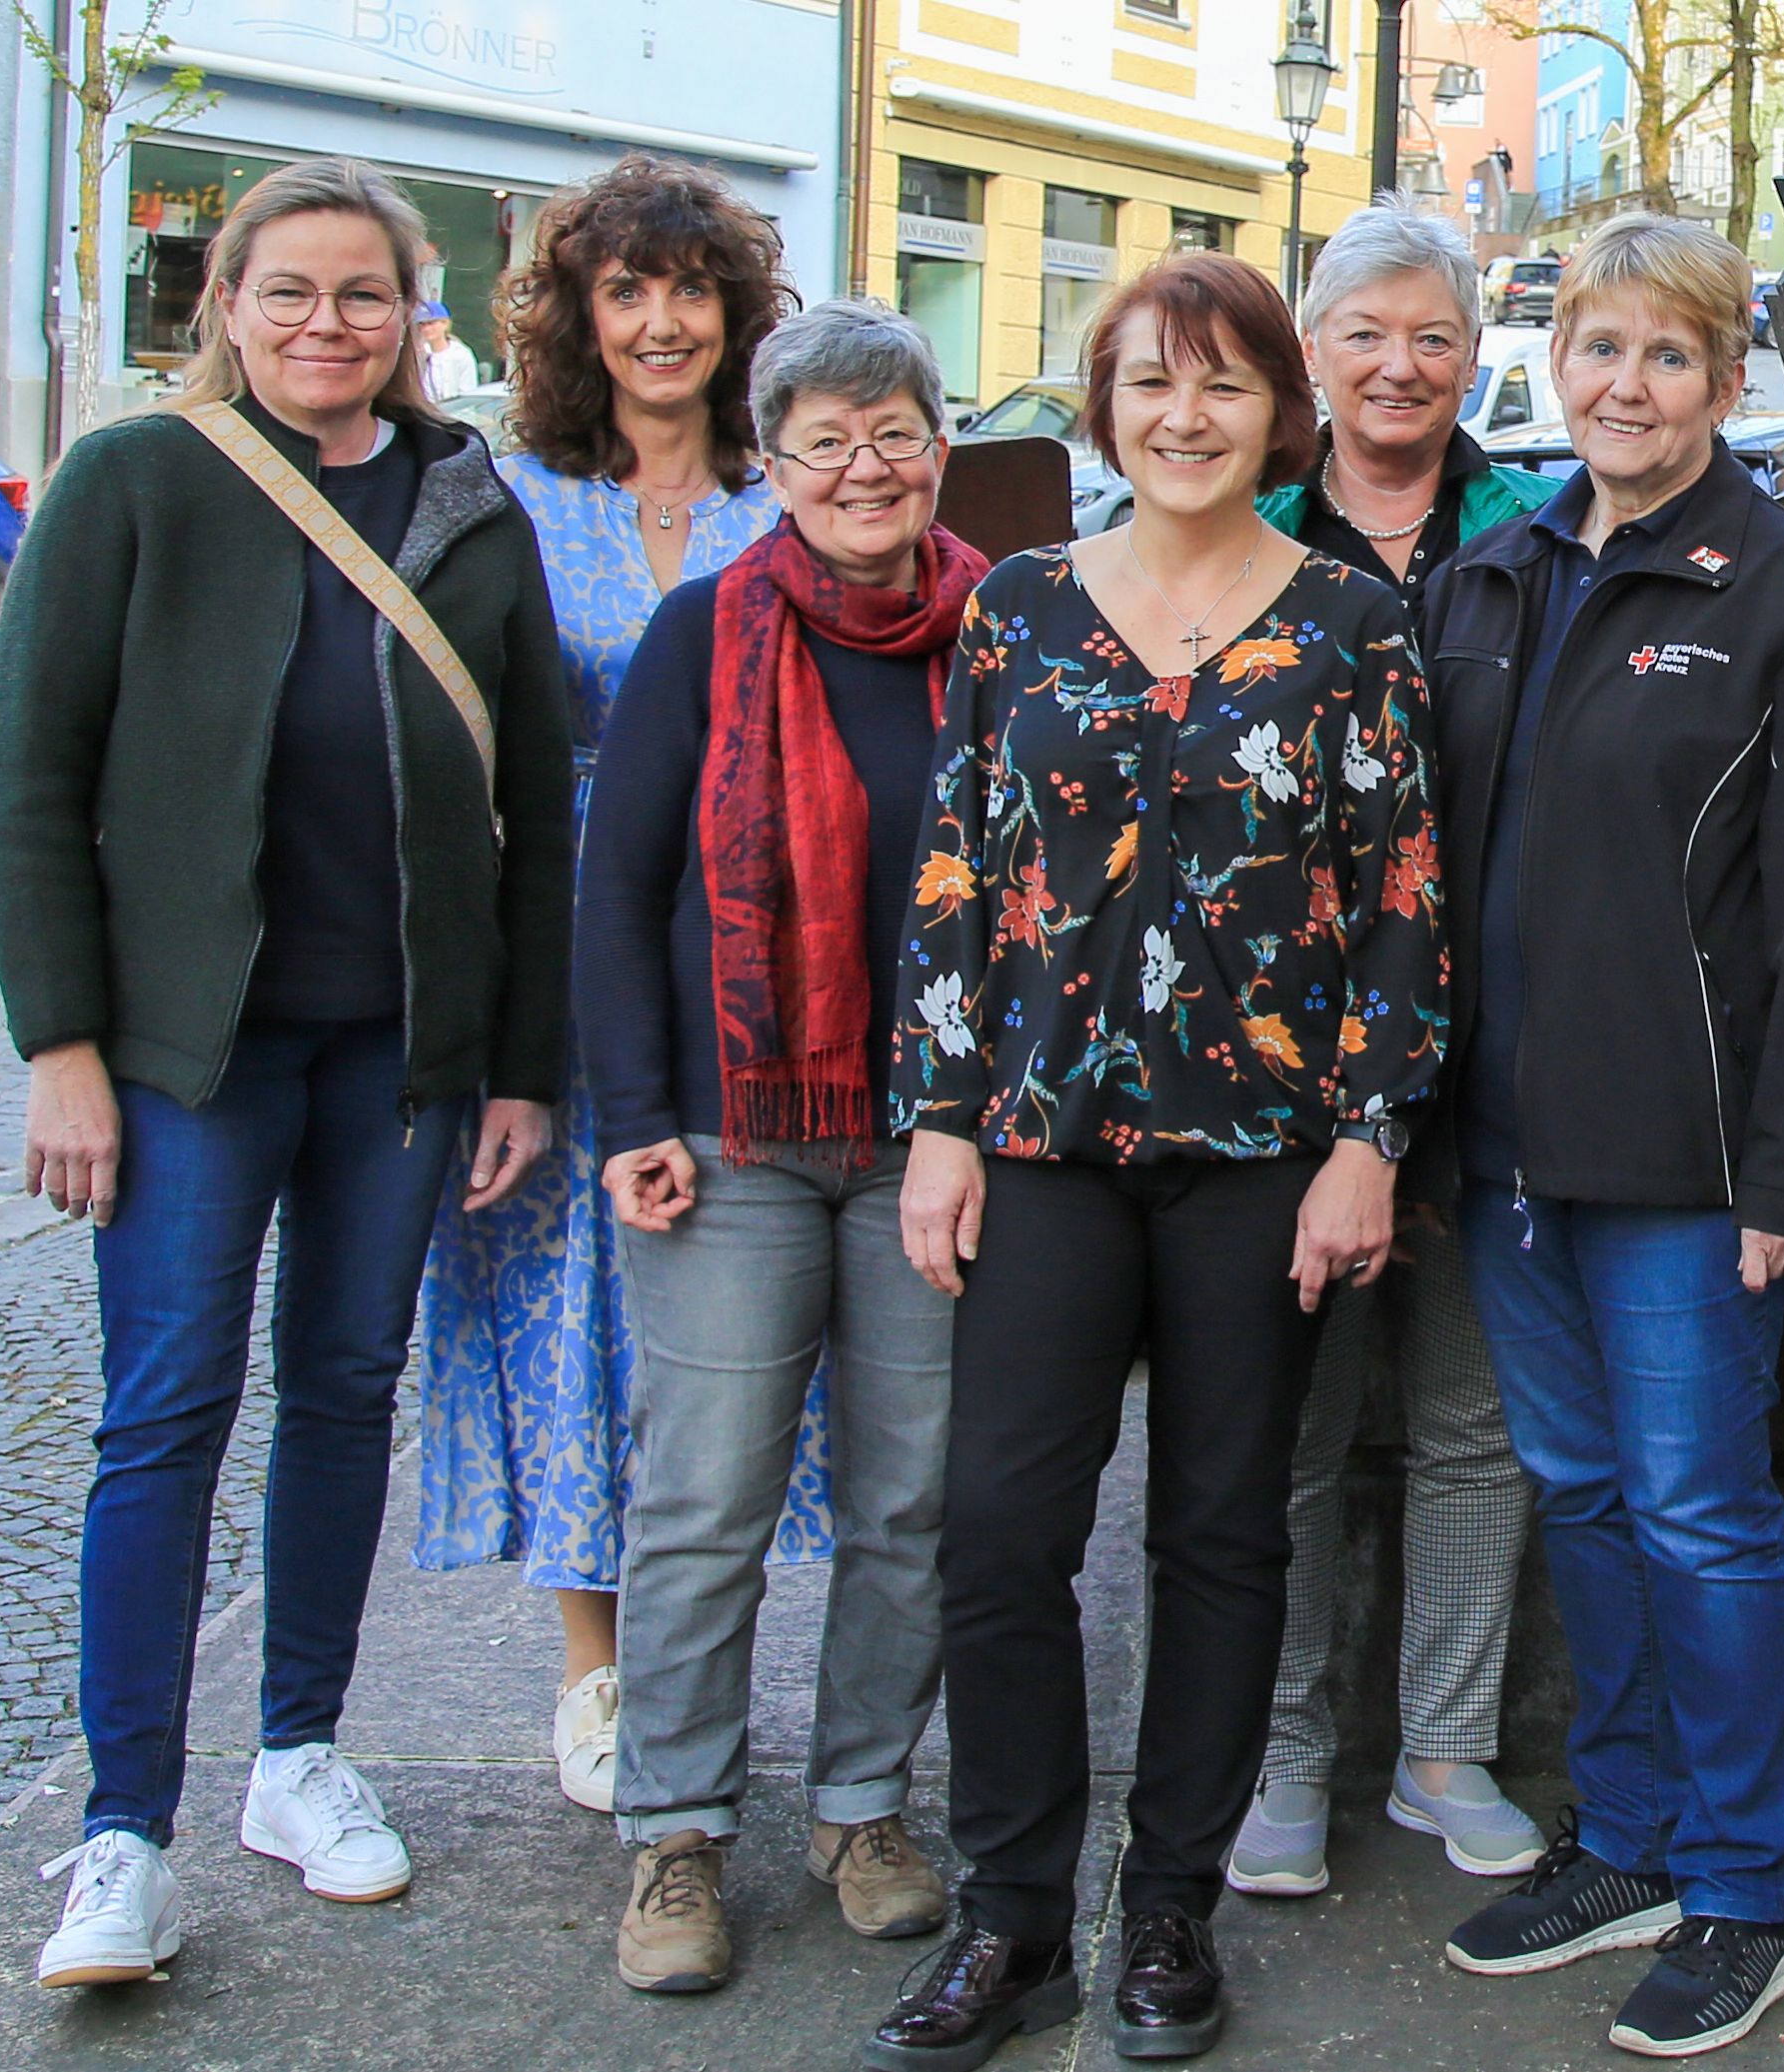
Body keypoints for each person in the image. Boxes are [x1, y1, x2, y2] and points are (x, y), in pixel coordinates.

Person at [0, 155, 575, 1990]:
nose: (329, 324)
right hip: (186, 1050)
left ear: (418, 319)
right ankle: (121, 1831)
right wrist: (62, 1048)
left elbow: (534, 807)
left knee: (343, 1388)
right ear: (224, 306)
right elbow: (26, 780)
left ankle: (302, 1752)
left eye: (367, 295)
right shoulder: (134, 481)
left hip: (400, 1049)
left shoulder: (466, 505)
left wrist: (516, 1065)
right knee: (162, 1411)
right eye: (291, 292)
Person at [867, 251, 1445, 2069]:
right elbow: (956, 873)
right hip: (1039, 1139)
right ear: (1103, 406)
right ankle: (1012, 1909)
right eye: (1145, 383)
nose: (1181, 417)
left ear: (1279, 409)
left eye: (1218, 385)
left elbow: (1404, 904)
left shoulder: (1352, 623)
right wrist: (940, 1121)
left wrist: (1368, 1140)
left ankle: (1170, 1905)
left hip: (1262, 1147)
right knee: (1001, 1528)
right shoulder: (1021, 606)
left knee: (1220, 1526)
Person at [1415, 213, 1784, 2060]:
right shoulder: (1496, 569)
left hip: (1691, 1166)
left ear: (1730, 376)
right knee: (1586, 1496)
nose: (1626, 384)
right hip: (1509, 1152)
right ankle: (1626, 1835)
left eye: (1668, 354)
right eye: (1598, 348)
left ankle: (1745, 1888)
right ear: (1557, 361)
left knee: (1700, 1514)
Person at [580, 301, 988, 1994]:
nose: (862, 467)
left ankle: (862, 1804)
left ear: (938, 446)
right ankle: (675, 1831)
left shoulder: (1010, 626)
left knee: (908, 1496)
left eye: (892, 431)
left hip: (934, 1142)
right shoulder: (705, 629)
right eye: (823, 438)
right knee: (705, 1494)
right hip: (730, 1131)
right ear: (774, 462)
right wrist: (630, 1118)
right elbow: (614, 886)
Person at [411, 150, 801, 1818]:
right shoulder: (509, 498)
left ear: (736, 312)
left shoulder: (789, 488)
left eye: (688, 288)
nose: (658, 321)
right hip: (566, 934)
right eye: (624, 289)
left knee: (747, 1291)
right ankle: (594, 1665)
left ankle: (716, 1646)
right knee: (569, 1295)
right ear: (580, 315)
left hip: (759, 937)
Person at [1226, 206, 1559, 1900]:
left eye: (1431, 334)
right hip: (1287, 1061)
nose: (1399, 365)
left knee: (1470, 1413)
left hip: (1489, 1046)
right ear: (1312, 351)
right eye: (1363, 332)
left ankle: (1446, 1739)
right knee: (1285, 1419)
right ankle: (1281, 1748)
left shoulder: (1539, 536)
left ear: (1473, 352)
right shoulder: (1246, 535)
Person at [417, 300, 479, 399]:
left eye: (431, 323)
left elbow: (468, 391)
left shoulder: (460, 354)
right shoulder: (419, 354)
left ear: (445, 323)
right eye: (422, 324)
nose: (426, 329)